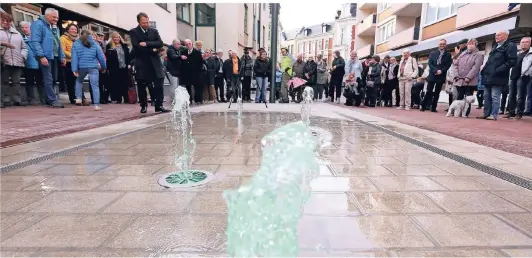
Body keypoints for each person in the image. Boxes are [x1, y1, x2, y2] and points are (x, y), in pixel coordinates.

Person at [129, 12, 169, 113]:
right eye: (143, 23)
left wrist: (146, 44)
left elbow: (159, 43)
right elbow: (136, 47)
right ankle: (143, 105)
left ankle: (159, 105)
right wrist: (152, 49)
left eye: (147, 22)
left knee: (159, 84)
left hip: (155, 63)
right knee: (142, 85)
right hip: (142, 63)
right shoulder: (134, 32)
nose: (146, 24)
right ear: (139, 22)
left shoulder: (154, 31)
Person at [29, 8, 66, 108]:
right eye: (54, 17)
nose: (56, 19)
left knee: (53, 78)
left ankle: (47, 98)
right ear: (47, 15)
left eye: (57, 17)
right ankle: (52, 100)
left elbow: (58, 43)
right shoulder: (38, 24)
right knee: (48, 78)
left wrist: (62, 56)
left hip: (54, 56)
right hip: (45, 56)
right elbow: (35, 41)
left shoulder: (55, 27)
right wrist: (41, 56)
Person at [477, 30, 517, 120]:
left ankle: (493, 115)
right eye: (496, 35)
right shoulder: (495, 46)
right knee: (486, 96)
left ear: (506, 36)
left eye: (499, 35)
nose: (496, 37)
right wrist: (484, 69)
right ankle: (486, 113)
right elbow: (490, 60)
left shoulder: (510, 46)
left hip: (499, 76)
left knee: (495, 96)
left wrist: (498, 70)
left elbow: (512, 61)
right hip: (488, 75)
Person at [71, 29, 106, 110]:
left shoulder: (76, 43)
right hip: (93, 67)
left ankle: (79, 98)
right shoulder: (95, 44)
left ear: (81, 34)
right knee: (95, 86)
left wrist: (74, 69)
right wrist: (104, 67)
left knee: (79, 81)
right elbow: (101, 57)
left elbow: (74, 58)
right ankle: (96, 105)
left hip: (81, 67)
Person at [451, 38, 484, 116]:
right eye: (469, 43)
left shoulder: (479, 55)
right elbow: (455, 64)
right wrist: (455, 75)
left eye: (472, 44)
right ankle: (457, 112)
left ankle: (465, 113)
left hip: (470, 81)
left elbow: (476, 67)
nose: (470, 45)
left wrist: (468, 77)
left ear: (475, 45)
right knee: (459, 96)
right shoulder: (462, 54)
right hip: (459, 79)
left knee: (468, 97)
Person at [1, 12, 27, 108]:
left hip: (17, 61)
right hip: (4, 61)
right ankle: (5, 100)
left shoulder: (17, 33)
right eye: (3, 20)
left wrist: (23, 56)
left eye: (7, 21)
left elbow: (24, 47)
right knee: (4, 82)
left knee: (16, 82)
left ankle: (17, 100)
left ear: (11, 22)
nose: (5, 22)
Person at [421, 39, 452, 112]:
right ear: (438, 45)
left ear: (445, 45)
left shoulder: (448, 54)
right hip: (432, 75)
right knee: (429, 91)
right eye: (440, 44)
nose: (442, 45)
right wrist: (436, 70)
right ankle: (423, 106)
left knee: (437, 93)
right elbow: (430, 64)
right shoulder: (433, 53)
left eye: (443, 44)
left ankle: (433, 108)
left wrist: (441, 71)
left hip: (441, 75)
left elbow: (448, 65)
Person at [505, 37, 531, 119]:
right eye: (522, 42)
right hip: (513, 76)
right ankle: (511, 112)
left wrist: (527, 74)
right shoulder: (517, 53)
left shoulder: (530, 53)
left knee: (520, 95)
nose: (524, 43)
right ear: (520, 43)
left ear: (530, 43)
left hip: (523, 76)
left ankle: (519, 113)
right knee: (511, 95)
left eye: (526, 42)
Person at [60, 23, 85, 105]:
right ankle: (73, 98)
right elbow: (62, 50)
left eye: (75, 29)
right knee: (71, 82)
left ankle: (81, 98)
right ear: (67, 30)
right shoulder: (63, 38)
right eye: (72, 29)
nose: (74, 30)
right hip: (69, 63)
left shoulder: (79, 40)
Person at [19, 21, 42, 105]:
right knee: (29, 83)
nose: (24, 29)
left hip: (39, 63)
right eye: (22, 28)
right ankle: (31, 99)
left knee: (40, 82)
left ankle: (42, 98)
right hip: (28, 64)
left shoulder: (37, 38)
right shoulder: (21, 38)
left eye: (26, 27)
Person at [105, 31, 131, 104]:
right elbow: (107, 58)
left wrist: (129, 64)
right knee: (116, 84)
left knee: (125, 83)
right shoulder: (109, 47)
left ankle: (126, 98)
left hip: (124, 68)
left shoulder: (124, 46)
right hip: (114, 68)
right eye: (114, 37)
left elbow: (128, 56)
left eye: (117, 37)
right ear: (112, 38)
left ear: (120, 38)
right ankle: (117, 98)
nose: (116, 39)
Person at [179, 39, 203, 104]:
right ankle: (189, 100)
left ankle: (198, 100)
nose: (188, 45)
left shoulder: (197, 52)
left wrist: (198, 71)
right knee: (188, 87)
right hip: (187, 73)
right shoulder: (183, 52)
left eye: (189, 44)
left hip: (195, 73)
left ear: (192, 44)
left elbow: (200, 63)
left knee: (197, 86)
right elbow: (182, 63)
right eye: (186, 44)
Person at [166, 39, 184, 103]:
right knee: (173, 85)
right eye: (178, 44)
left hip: (175, 71)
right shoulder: (170, 50)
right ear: (175, 44)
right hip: (172, 71)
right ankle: (173, 99)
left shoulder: (177, 50)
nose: (180, 45)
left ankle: (175, 98)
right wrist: (180, 57)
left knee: (176, 85)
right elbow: (173, 56)